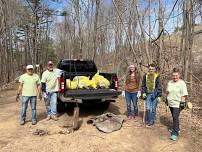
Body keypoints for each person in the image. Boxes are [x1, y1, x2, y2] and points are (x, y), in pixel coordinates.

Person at [166, 68, 188, 141]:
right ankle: (177, 128)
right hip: (171, 102)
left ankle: (175, 133)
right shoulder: (170, 82)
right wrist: (166, 99)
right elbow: (168, 91)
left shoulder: (182, 83)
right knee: (174, 117)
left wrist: (182, 103)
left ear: (179, 75)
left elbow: (184, 94)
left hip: (178, 103)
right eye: (173, 75)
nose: (175, 77)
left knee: (175, 117)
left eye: (176, 75)